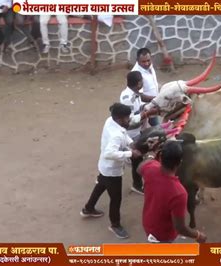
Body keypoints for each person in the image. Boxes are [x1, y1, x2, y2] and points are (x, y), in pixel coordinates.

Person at [80, 103, 144, 239]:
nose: (129, 120)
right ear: (120, 119)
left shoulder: (111, 121)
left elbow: (123, 134)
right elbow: (109, 153)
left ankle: (88, 208)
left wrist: (130, 143)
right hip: (112, 170)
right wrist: (130, 154)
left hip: (105, 167)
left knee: (100, 185)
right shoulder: (116, 135)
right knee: (116, 198)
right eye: (127, 118)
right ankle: (115, 225)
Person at [138, 141, 207, 243]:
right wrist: (198, 235)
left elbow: (139, 169)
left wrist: (151, 156)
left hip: (148, 224)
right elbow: (180, 228)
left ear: (160, 157)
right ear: (179, 163)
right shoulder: (179, 193)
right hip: (163, 235)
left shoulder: (150, 168)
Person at [120, 71, 157, 195]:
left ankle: (137, 182)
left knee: (136, 157)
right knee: (133, 158)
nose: (143, 82)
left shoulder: (135, 93)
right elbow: (129, 121)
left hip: (137, 132)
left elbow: (143, 97)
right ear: (138, 83)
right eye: (141, 80)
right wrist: (147, 113)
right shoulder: (127, 99)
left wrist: (158, 98)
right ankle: (137, 185)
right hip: (130, 134)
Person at [131, 48, 159, 126]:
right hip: (143, 108)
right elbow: (139, 95)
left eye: (148, 60)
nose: (146, 63)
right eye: (143, 61)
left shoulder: (149, 66)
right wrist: (156, 99)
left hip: (152, 104)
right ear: (137, 60)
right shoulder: (136, 74)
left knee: (156, 127)